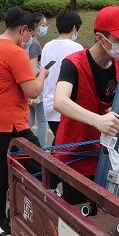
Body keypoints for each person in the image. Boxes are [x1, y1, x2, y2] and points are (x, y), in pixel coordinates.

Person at [53, 5, 119, 202]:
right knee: (77, 213)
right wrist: (97, 120)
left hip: (107, 156)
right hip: (76, 154)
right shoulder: (73, 63)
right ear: (100, 38)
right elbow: (60, 101)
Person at [0, 6, 48, 236]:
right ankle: (17, 222)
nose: (29, 40)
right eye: (31, 35)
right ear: (23, 29)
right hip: (11, 128)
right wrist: (43, 75)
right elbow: (33, 91)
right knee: (43, 169)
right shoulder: (14, 52)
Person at [40, 9, 84, 144]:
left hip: (49, 103)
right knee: (64, 143)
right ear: (74, 28)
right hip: (67, 105)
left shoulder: (47, 47)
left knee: (59, 140)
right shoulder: (77, 48)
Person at [25, 12, 48, 146]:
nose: (45, 28)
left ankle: (23, 147)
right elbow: (33, 70)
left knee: (28, 121)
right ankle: (41, 150)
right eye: (42, 25)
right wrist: (35, 95)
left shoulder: (26, 43)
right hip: (35, 86)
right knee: (42, 120)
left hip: (27, 86)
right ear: (36, 26)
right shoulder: (34, 44)